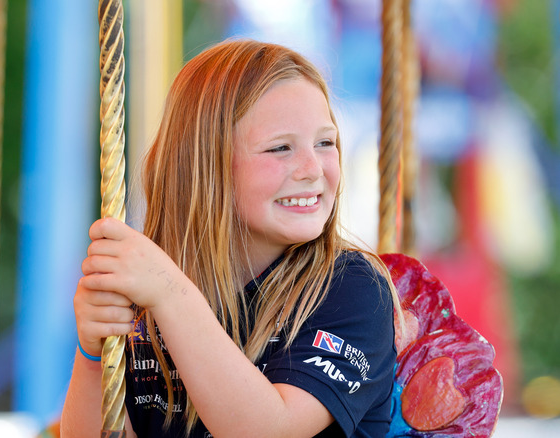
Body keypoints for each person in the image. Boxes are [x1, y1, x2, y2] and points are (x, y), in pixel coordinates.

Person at [61, 39, 401, 437]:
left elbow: (271, 429)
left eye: (326, 142)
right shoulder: (149, 303)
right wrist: (91, 351)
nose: (313, 168)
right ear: (205, 166)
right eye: (280, 148)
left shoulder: (351, 289)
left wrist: (170, 293)